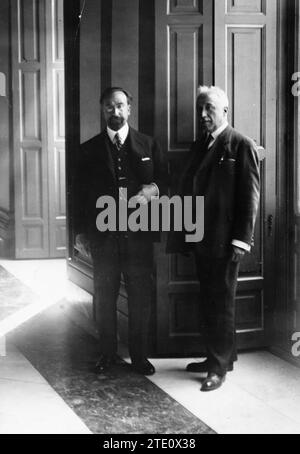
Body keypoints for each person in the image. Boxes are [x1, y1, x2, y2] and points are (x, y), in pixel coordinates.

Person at [167, 86, 260, 391]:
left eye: (209, 109)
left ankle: (218, 368)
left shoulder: (240, 145)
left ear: (225, 112)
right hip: (201, 240)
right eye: (200, 110)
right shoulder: (200, 146)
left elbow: (250, 197)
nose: (203, 115)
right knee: (210, 301)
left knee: (221, 304)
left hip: (225, 242)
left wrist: (240, 241)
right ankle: (218, 357)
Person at [74, 87, 166, 376]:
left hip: (138, 238)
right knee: (104, 297)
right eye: (109, 107)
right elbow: (77, 196)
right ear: (102, 110)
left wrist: (153, 189)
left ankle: (139, 357)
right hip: (104, 238)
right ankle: (107, 354)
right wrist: (79, 234)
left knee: (140, 298)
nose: (115, 112)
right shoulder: (88, 150)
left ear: (130, 108)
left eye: (120, 106)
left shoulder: (149, 145)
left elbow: (166, 181)